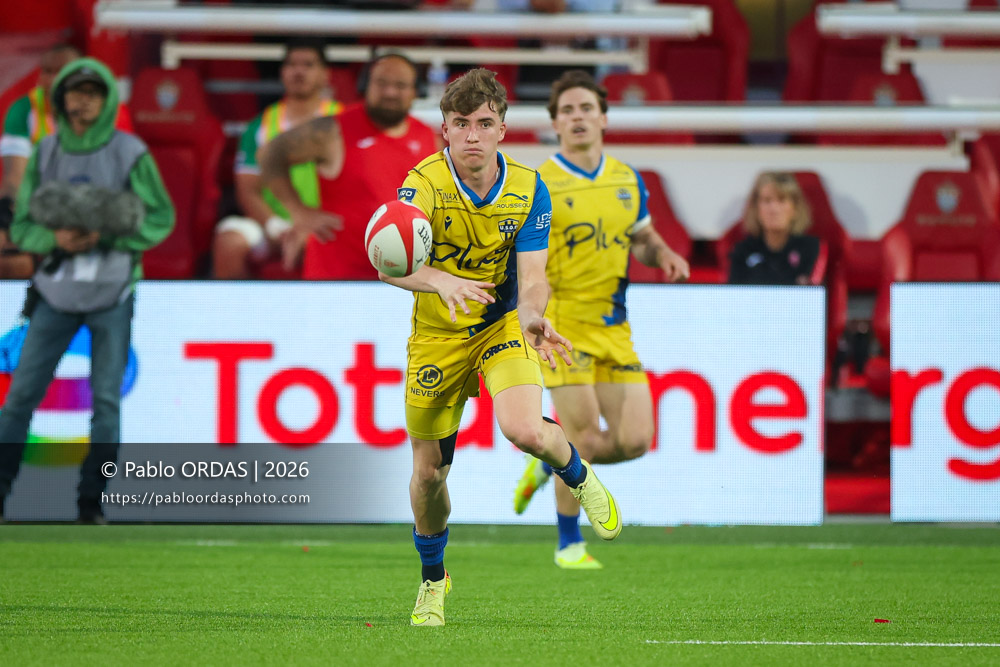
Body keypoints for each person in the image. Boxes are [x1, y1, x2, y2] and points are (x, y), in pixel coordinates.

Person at [379, 68, 622, 626]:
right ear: (444, 129)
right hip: (438, 337)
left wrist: (533, 317)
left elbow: (534, 277)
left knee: (524, 430)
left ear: (502, 130)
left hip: (499, 326)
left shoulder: (529, 188)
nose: (472, 135)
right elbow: (389, 263)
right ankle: (433, 581)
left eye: (484, 123)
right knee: (428, 475)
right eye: (461, 123)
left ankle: (579, 477)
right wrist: (439, 280)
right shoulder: (422, 185)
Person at [511, 69, 689, 568]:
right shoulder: (539, 183)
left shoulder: (627, 179)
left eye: (586, 108)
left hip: (614, 327)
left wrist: (663, 253)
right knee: (584, 438)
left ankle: (547, 463)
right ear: (554, 124)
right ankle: (569, 543)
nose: (578, 117)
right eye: (567, 110)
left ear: (604, 118)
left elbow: (642, 239)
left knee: (635, 441)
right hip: (562, 326)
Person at [0, 58, 174, 524]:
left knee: (106, 403)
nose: (84, 101)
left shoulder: (129, 151)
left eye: (93, 93)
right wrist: (53, 240)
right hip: (54, 293)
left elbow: (161, 217)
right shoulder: (46, 151)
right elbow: (22, 225)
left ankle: (91, 503)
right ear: (61, 99)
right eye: (76, 92)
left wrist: (112, 237)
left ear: (107, 100)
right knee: (20, 397)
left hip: (112, 292)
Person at [259, 53, 440, 279]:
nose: (390, 92)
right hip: (336, 279)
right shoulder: (333, 130)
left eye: (400, 85)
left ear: (416, 91)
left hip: (403, 279)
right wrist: (299, 213)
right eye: (381, 83)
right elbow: (269, 154)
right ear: (365, 86)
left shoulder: (429, 138)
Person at [0, 43, 133, 278]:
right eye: (46, 71)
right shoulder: (24, 110)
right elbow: (14, 179)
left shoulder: (111, 113)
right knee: (12, 259)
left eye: (60, 71)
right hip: (40, 207)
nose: (51, 80)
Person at [212, 39, 341, 279]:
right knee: (229, 241)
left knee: (313, 243)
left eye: (308, 65)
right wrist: (277, 228)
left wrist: (309, 226)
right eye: (291, 64)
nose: (299, 71)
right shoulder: (259, 126)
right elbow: (247, 190)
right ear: (282, 72)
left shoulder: (343, 119)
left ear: (326, 74)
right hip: (274, 224)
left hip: (327, 224)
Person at [727, 172, 821, 285]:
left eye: (781, 200)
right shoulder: (743, 251)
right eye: (767, 200)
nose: (773, 209)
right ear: (756, 208)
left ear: (795, 208)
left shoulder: (811, 249)